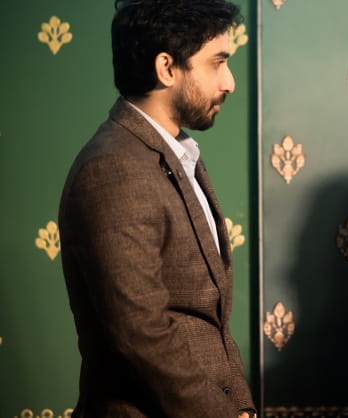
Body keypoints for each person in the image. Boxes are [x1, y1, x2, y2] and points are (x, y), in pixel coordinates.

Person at [58, 0, 255, 416]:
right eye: (217, 62)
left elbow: (212, 327)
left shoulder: (177, 155)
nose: (230, 82)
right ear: (166, 68)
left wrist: (242, 408)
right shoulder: (113, 169)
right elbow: (141, 335)